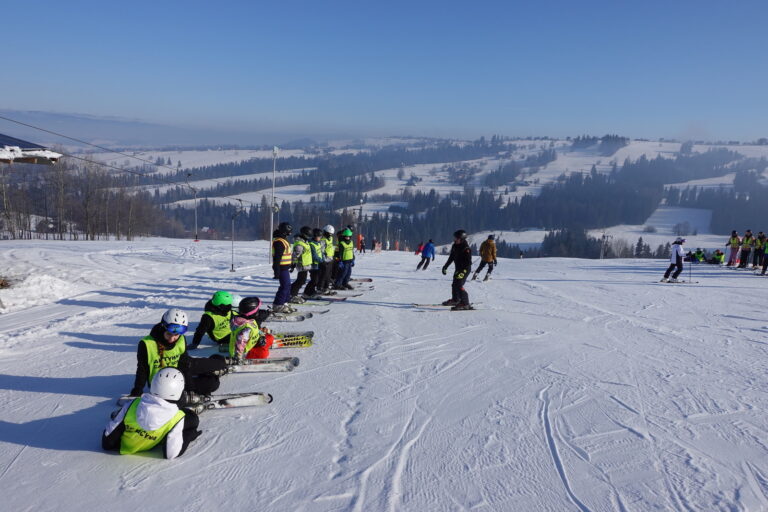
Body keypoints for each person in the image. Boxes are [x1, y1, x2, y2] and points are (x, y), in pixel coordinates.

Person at [103, 368, 201, 459]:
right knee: (193, 419)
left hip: (127, 446)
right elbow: (171, 454)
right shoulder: (178, 417)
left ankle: (119, 413)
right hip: (171, 420)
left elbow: (107, 442)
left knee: (125, 414)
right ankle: (181, 404)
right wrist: (189, 435)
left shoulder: (133, 404)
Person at [130, 308, 226, 401]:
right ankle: (210, 374)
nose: (172, 339)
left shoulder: (181, 339)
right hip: (165, 384)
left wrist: (190, 387)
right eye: (168, 334)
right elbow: (142, 369)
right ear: (163, 327)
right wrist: (137, 391)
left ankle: (218, 364)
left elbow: (184, 365)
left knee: (219, 364)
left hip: (181, 369)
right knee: (213, 383)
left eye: (176, 335)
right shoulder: (147, 344)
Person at [229, 297, 274, 361]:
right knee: (263, 354)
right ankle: (250, 355)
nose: (258, 312)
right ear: (253, 313)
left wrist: (261, 334)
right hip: (244, 352)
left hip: (251, 343)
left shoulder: (248, 320)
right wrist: (238, 357)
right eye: (257, 310)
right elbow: (240, 343)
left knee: (270, 337)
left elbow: (254, 329)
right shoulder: (246, 329)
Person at [441, 229, 473, 310]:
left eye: (456, 238)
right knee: (454, 284)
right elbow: (451, 257)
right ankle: (456, 300)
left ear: (461, 239)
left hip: (465, 269)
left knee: (459, 285)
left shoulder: (466, 248)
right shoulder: (455, 246)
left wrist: (462, 270)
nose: (454, 240)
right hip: (458, 269)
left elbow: (468, 262)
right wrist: (445, 266)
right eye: (454, 238)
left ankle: (465, 303)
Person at [272, 222, 295, 314]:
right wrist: (276, 271)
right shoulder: (279, 242)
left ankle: (284, 302)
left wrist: (291, 264)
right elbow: (277, 258)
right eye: (289, 232)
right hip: (281, 268)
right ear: (284, 232)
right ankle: (278, 304)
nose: (290, 234)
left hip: (285, 267)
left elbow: (287, 255)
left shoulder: (283, 240)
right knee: (284, 286)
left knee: (288, 286)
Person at [289, 226, 313, 304]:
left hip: (306, 264)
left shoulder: (305, 241)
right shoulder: (299, 243)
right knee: (301, 281)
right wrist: (293, 264)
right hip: (301, 264)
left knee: (302, 281)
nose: (309, 237)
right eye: (308, 235)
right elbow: (295, 255)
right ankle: (292, 295)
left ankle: (292, 294)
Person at [303, 228, 325, 299]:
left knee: (316, 280)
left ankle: (311, 292)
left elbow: (320, 252)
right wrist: (321, 260)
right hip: (313, 265)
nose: (320, 238)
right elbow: (314, 255)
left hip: (318, 264)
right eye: (319, 237)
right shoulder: (311, 244)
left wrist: (323, 258)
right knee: (314, 280)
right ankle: (306, 293)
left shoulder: (317, 243)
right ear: (315, 236)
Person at [319, 224, 336, 294]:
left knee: (328, 275)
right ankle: (320, 287)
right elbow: (321, 250)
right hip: (325, 260)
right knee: (324, 275)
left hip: (330, 259)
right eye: (329, 234)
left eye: (331, 234)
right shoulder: (323, 240)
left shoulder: (330, 238)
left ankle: (326, 287)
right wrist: (323, 259)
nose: (330, 235)